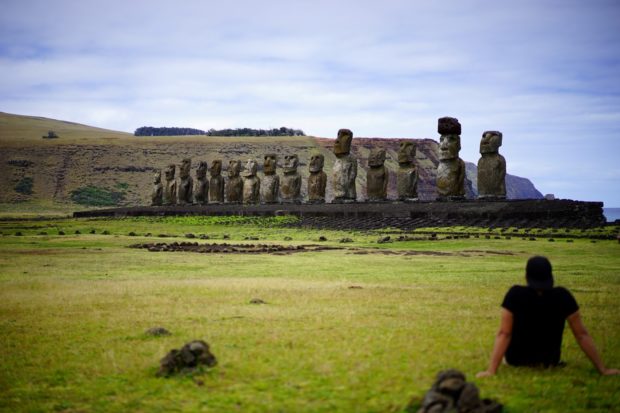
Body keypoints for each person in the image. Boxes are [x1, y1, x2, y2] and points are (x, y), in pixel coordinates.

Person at [477, 256, 619, 377]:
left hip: (516, 360)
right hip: (549, 361)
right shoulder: (563, 296)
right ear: (551, 275)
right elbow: (581, 335)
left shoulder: (515, 294)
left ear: (526, 275)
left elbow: (504, 333)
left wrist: (491, 370)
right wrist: (602, 369)